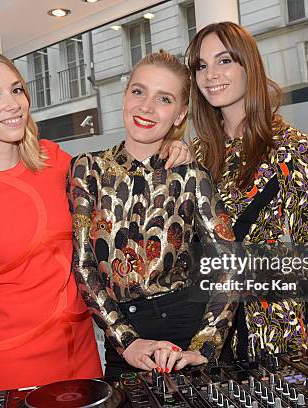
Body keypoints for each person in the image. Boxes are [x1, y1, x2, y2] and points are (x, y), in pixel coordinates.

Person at [0, 50, 192, 407]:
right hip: (13, 364)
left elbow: (118, 179)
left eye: (16, 90)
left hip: (84, 356)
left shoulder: (54, 160)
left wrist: (167, 147)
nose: (12, 104)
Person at [68, 51, 241, 380]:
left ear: (179, 115)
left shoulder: (190, 174)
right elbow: (82, 263)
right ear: (124, 97)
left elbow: (230, 264)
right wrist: (125, 340)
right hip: (123, 344)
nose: (146, 107)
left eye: (164, 98)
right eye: (138, 91)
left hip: (183, 332)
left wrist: (204, 346)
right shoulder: (86, 169)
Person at [186, 22, 308, 360]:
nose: (211, 75)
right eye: (201, 66)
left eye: (224, 61)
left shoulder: (287, 144)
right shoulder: (196, 153)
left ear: (247, 65)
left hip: (274, 325)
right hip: (209, 329)